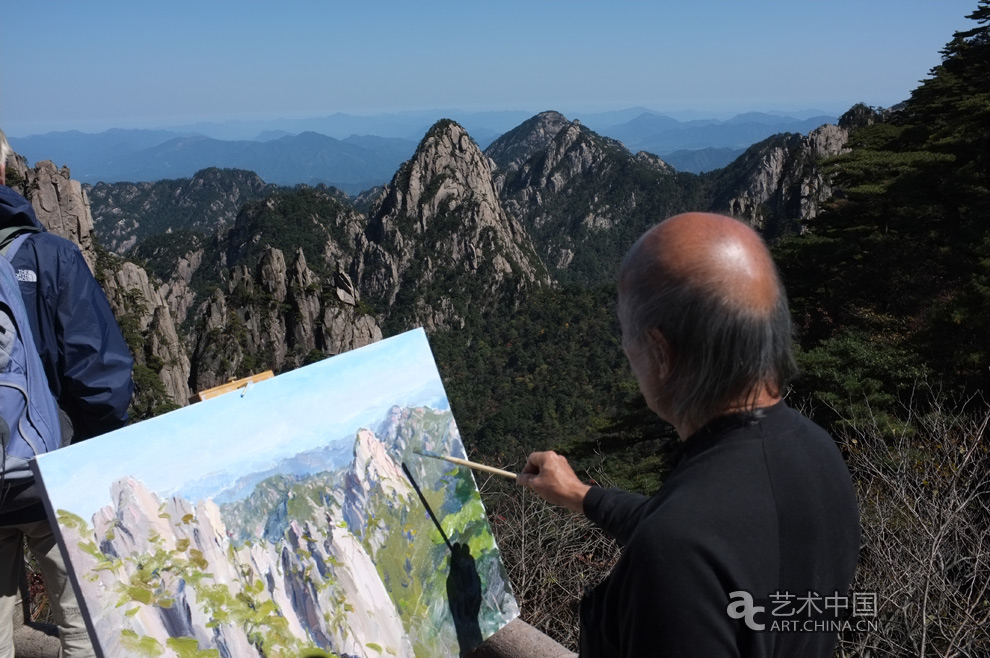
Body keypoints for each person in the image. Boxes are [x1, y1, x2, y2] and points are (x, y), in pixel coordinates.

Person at [518, 212, 860, 657]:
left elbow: (686, 540)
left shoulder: (677, 555)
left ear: (661, 353)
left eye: (628, 336)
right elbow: (712, 535)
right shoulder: (818, 452)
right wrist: (582, 495)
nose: (626, 351)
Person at [0, 128, 134, 657]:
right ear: (8, 172)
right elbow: (100, 378)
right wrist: (99, 461)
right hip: (52, 479)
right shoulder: (52, 258)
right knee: (88, 628)